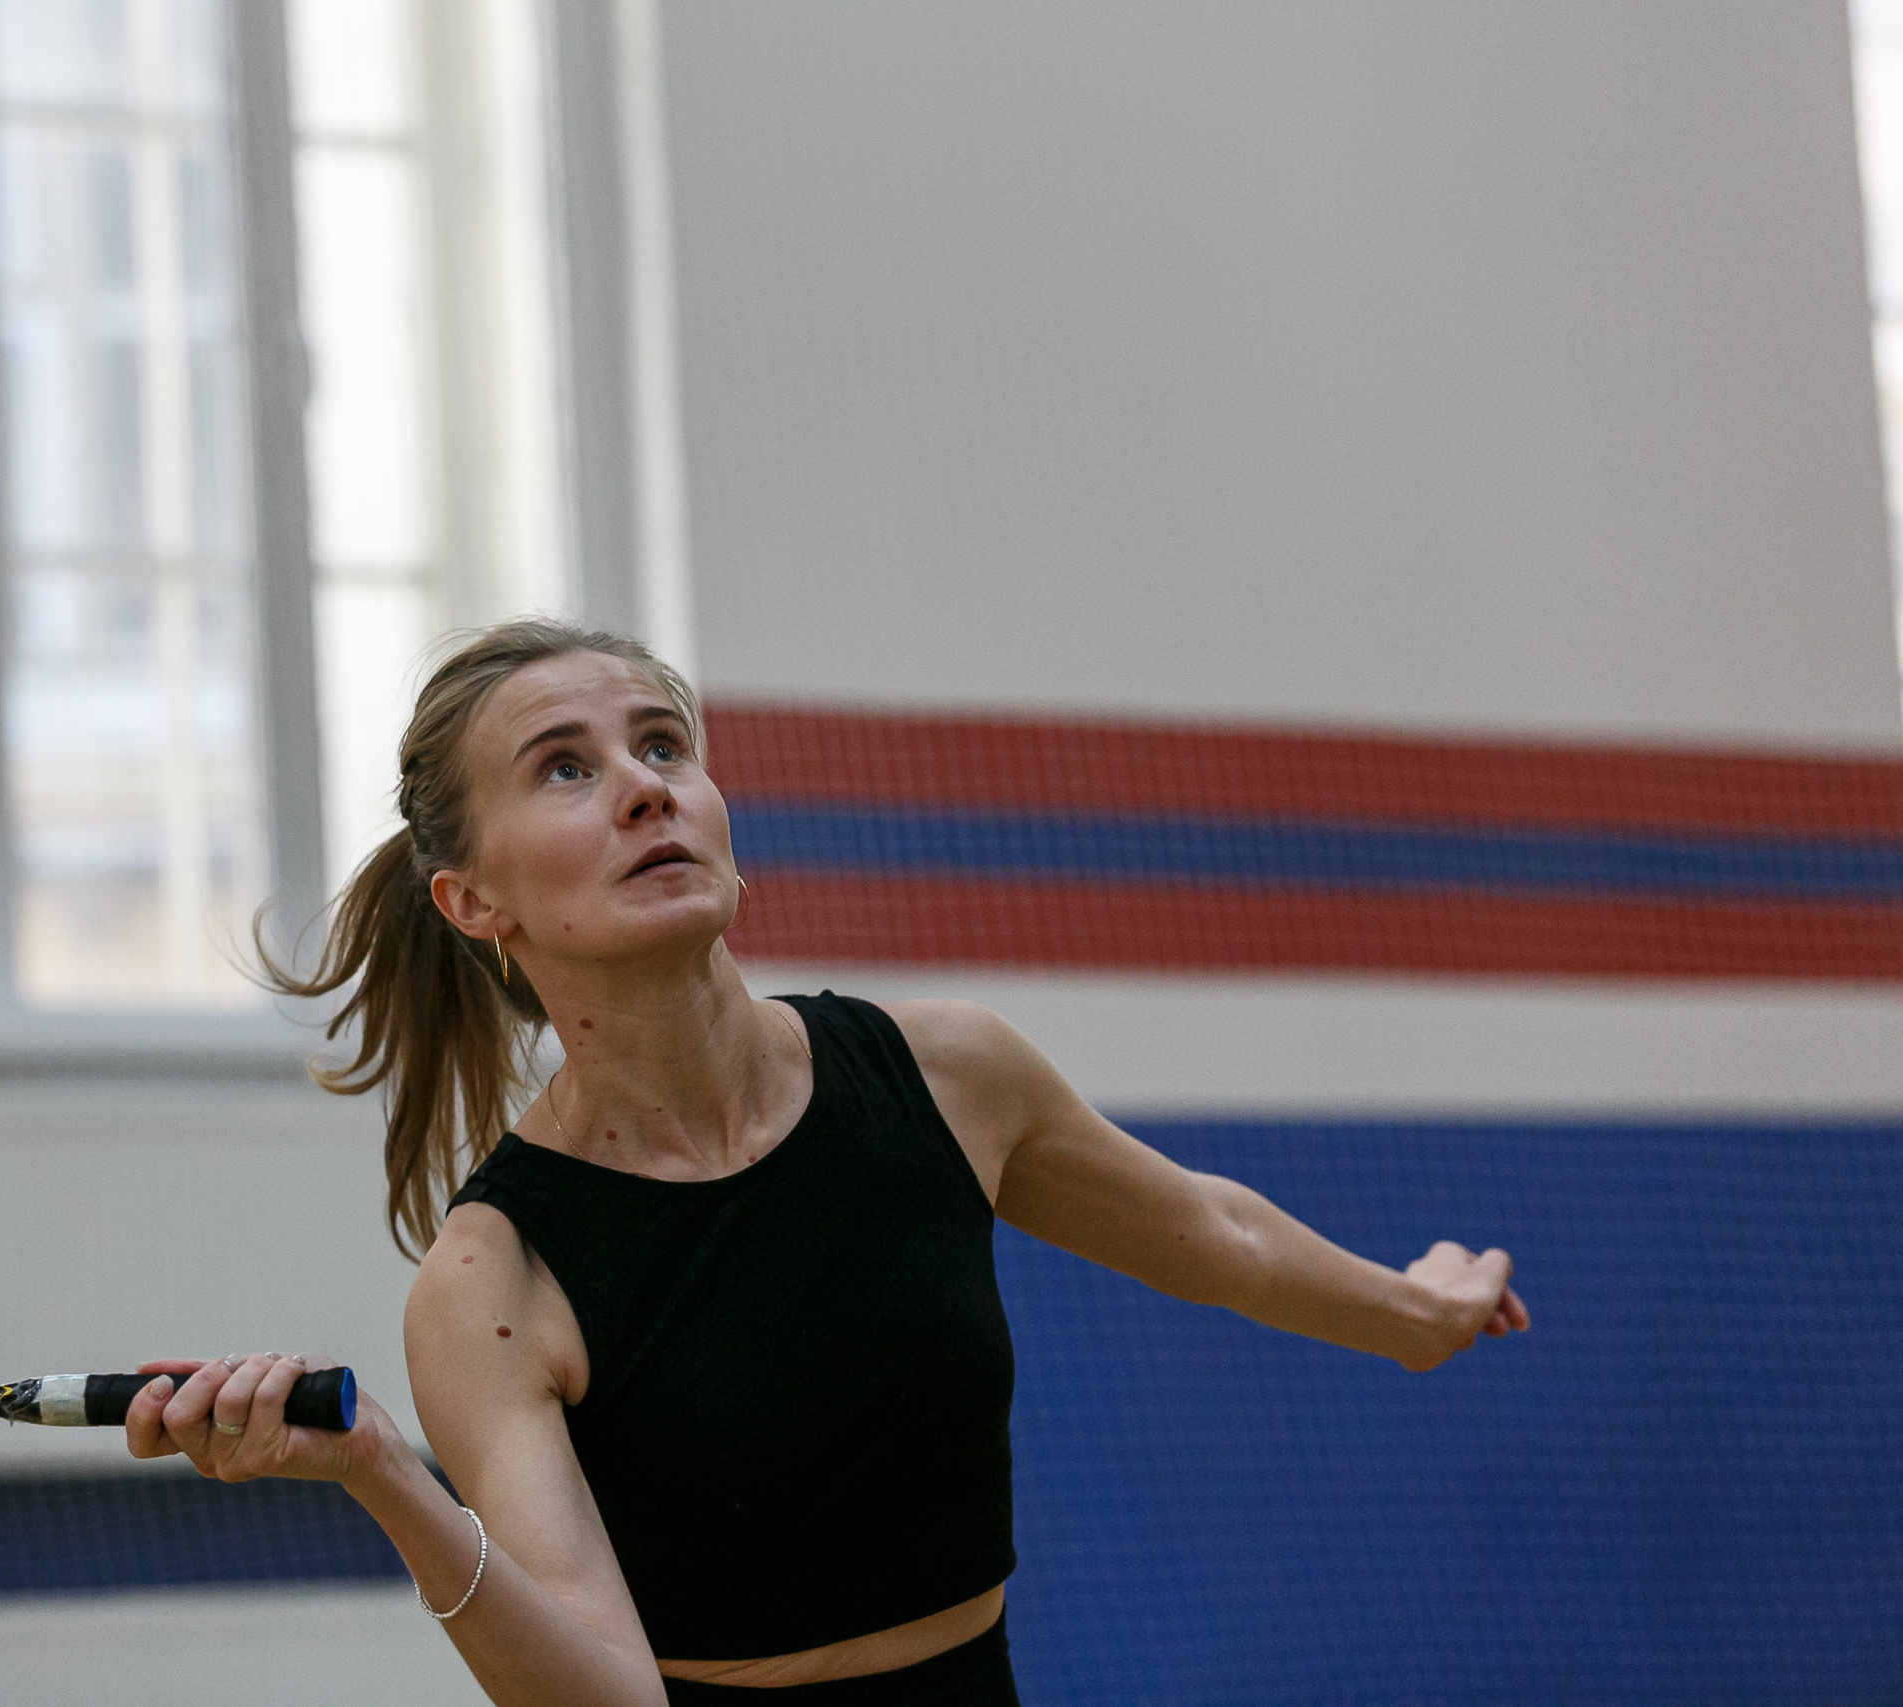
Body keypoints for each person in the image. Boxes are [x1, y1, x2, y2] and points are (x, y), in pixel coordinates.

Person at [121, 618, 1529, 1706]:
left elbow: (1213, 1234)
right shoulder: (497, 1282)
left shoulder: (946, 1074)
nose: (640, 790)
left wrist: (1409, 1317)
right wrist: (381, 1472)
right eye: (568, 766)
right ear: (472, 898)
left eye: (663, 748)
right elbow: (605, 1697)